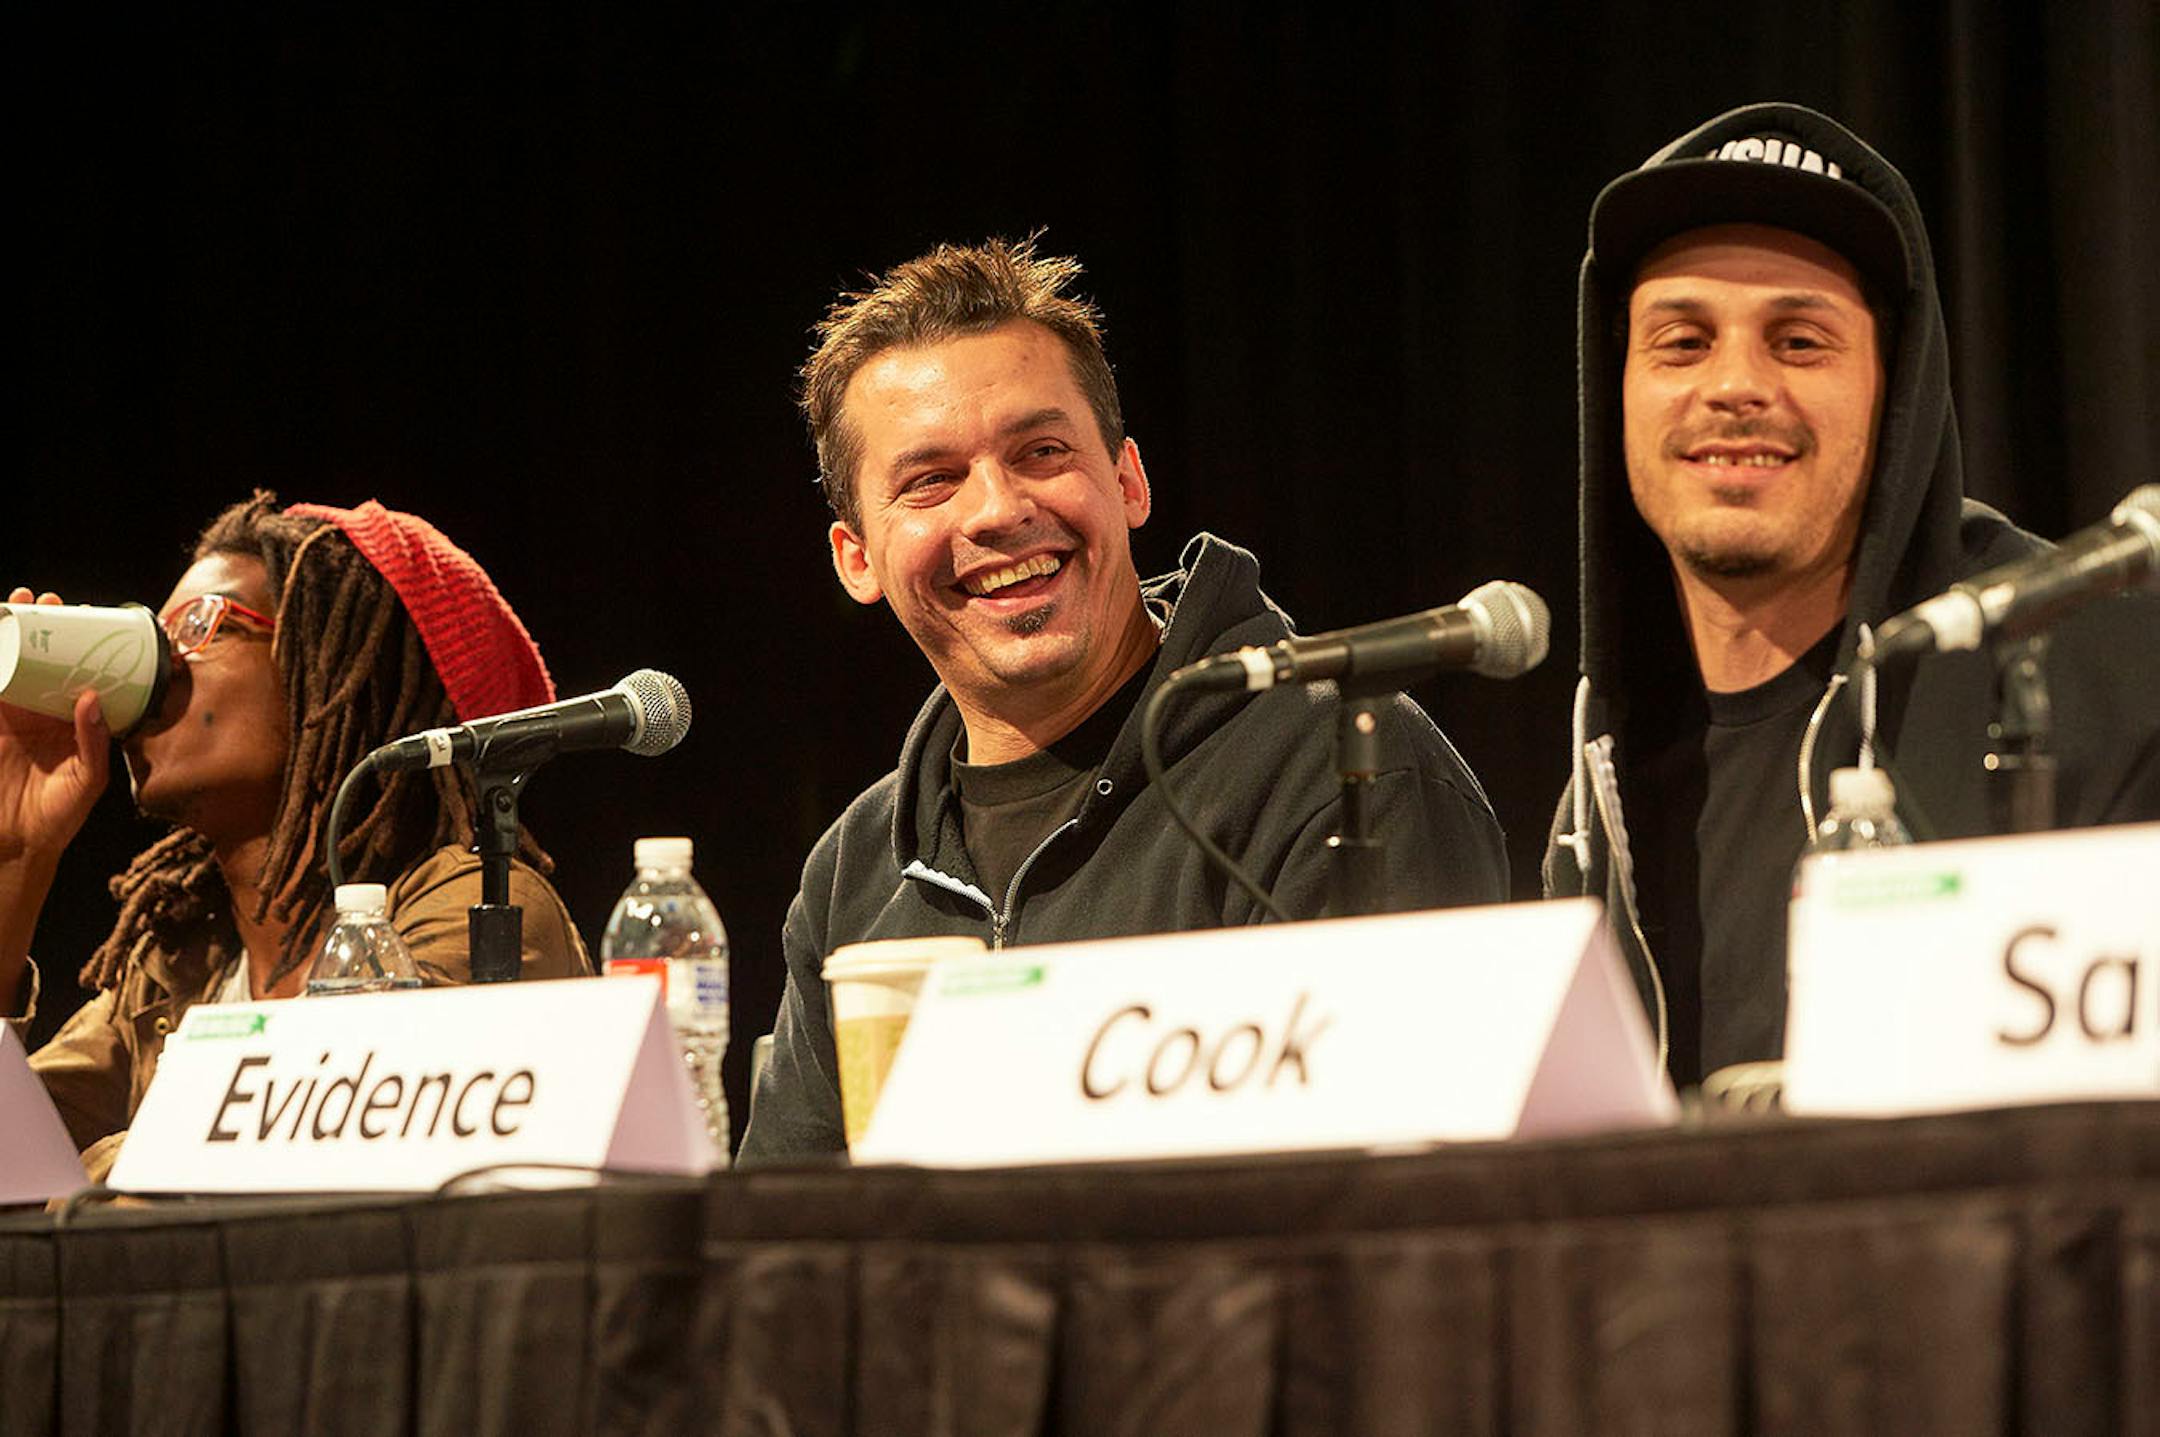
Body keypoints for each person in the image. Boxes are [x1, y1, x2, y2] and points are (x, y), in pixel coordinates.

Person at [739, 237, 1508, 1163]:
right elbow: (787, 1252)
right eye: (931, 480)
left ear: (1129, 480)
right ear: (856, 557)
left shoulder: (1342, 768)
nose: (995, 508)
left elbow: (1405, 1214)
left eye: (1042, 450)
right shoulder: (853, 874)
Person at [1543, 102, 2160, 1089]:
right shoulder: (1605, 777)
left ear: (1896, 392)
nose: (1735, 385)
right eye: (1682, 341)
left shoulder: (2106, 670)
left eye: (1798, 342)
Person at [3, 493, 592, 1179]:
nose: (160, 668)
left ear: (337, 671)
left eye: (199, 624)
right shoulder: (178, 964)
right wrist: (20, 857)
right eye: (152, 637)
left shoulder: (480, 910)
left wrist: (79, 1175)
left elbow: (320, 1149)